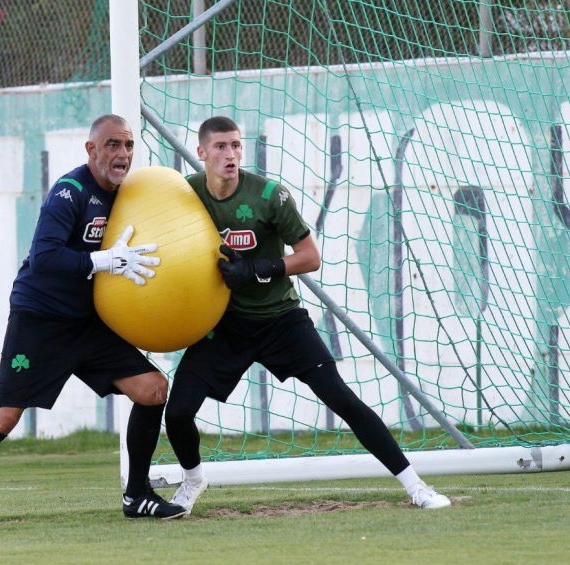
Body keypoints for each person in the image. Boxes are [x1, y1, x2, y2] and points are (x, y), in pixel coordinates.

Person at [164, 116, 451, 514]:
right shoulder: (185, 193)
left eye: (235, 145)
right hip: (226, 326)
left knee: (342, 398)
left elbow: (310, 257)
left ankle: (416, 486)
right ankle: (193, 481)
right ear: (201, 153)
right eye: (220, 147)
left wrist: (260, 269)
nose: (230, 154)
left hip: (281, 320)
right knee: (177, 412)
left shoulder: (269, 195)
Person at [0, 114, 188, 530]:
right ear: (91, 150)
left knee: (153, 390)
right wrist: (103, 260)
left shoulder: (129, 194)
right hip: (40, 320)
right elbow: (45, 257)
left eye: (129, 145)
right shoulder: (71, 191)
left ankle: (137, 495)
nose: (122, 155)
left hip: (87, 323)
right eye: (113, 145)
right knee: (5, 416)